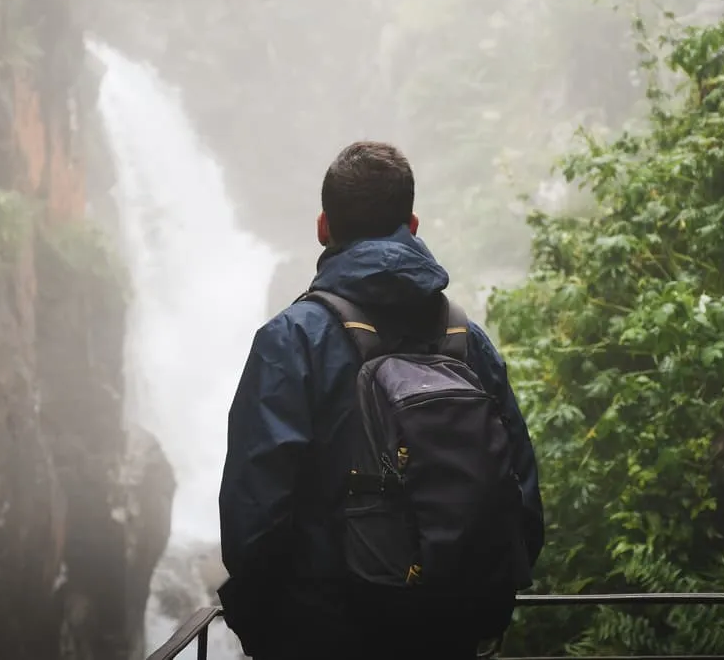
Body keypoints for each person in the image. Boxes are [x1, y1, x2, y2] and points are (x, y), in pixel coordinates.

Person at [218, 141, 544, 659]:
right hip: (445, 635)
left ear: (324, 227)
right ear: (412, 225)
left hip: (320, 635)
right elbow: (522, 499)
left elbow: (252, 520)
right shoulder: (467, 340)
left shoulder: (292, 340)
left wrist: (272, 630)